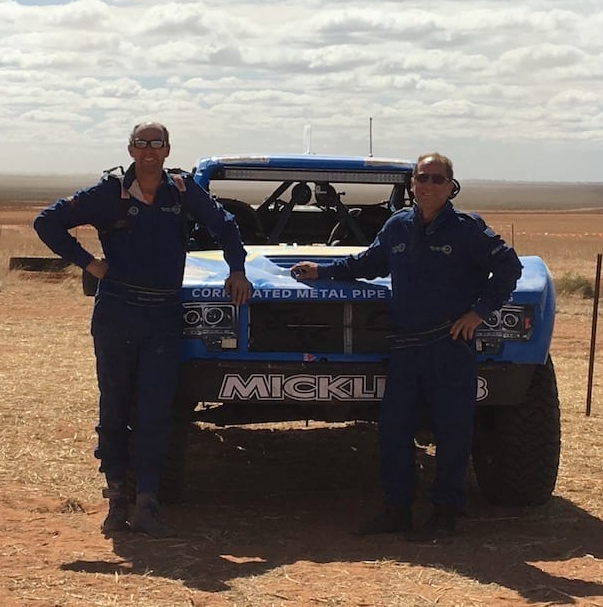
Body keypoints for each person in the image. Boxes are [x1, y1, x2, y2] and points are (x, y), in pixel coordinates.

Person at [34, 122, 252, 538]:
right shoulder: (107, 192)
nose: (150, 150)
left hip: (164, 316)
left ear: (168, 150)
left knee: (155, 411)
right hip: (117, 312)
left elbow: (225, 224)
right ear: (131, 149)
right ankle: (117, 499)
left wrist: (237, 269)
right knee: (114, 408)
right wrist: (88, 262)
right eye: (142, 143)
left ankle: (148, 502)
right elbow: (48, 222)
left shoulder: (183, 191)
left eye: (157, 143)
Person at [291, 152, 522, 541]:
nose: (428, 185)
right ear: (412, 184)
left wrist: (478, 313)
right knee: (395, 431)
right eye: (422, 178)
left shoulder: (468, 229)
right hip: (405, 348)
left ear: (451, 186)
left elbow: (509, 268)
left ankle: (445, 513)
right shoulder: (398, 226)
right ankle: (397, 510)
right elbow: (368, 263)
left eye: (437, 179)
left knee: (452, 432)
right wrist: (322, 271)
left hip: (450, 345)